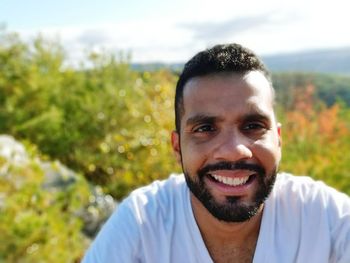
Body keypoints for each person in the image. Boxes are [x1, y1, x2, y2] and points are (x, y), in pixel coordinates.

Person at [82, 44, 350, 263]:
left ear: (278, 140)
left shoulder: (326, 217)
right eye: (206, 128)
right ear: (177, 148)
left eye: (253, 126)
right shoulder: (142, 224)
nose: (234, 151)